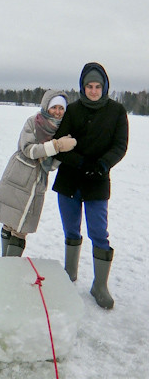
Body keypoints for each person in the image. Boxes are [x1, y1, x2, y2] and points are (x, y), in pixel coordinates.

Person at [51, 62, 128, 309]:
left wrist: (103, 165)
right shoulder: (72, 111)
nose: (93, 91)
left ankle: (99, 286)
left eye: (97, 86)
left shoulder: (117, 111)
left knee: (98, 232)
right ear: (82, 87)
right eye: (88, 86)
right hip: (70, 179)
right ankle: (69, 276)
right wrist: (80, 162)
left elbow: (120, 145)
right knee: (71, 230)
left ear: (104, 87)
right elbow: (58, 144)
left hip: (98, 180)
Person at [0, 89, 76, 256]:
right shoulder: (33, 122)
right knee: (10, 222)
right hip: (19, 176)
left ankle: (10, 265)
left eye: (61, 108)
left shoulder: (62, 131)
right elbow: (28, 150)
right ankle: (5, 265)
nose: (57, 112)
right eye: (54, 107)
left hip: (37, 182)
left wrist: (61, 154)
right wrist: (56, 146)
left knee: (21, 227)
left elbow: (51, 165)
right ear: (46, 107)